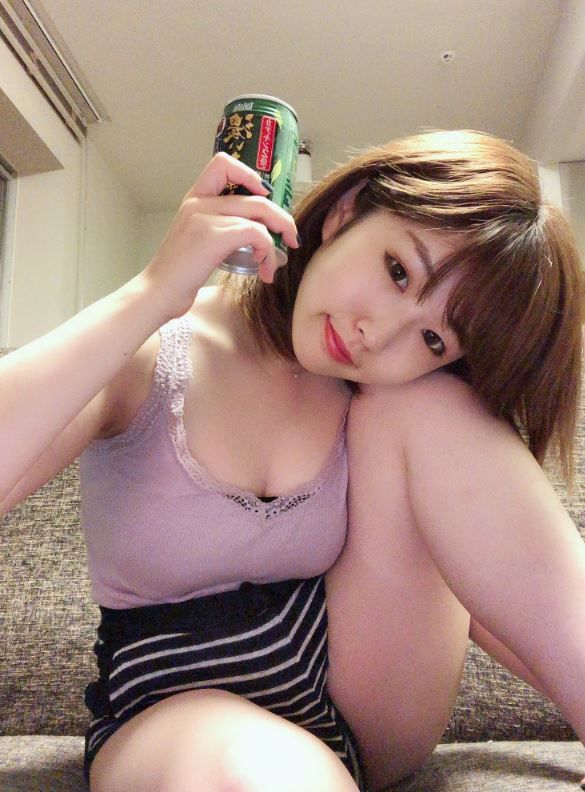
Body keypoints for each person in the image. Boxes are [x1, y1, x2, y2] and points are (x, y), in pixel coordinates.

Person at [0, 130, 583, 792]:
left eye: (432, 338)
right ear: (346, 211)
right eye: (397, 271)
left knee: (433, 406)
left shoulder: (385, 403)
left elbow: (496, 586)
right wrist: (153, 293)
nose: (377, 333)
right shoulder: (155, 355)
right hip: (176, 712)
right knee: (251, 770)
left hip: (361, 696)